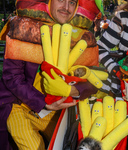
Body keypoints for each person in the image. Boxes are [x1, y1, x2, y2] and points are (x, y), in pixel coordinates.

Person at [0, 0, 100, 149]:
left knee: (66, 144)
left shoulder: (82, 37)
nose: (66, 7)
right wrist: (43, 102)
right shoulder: (24, 29)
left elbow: (93, 80)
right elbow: (12, 77)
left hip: (55, 112)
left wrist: (72, 91)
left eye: (71, 2)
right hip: (19, 106)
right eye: (61, 0)